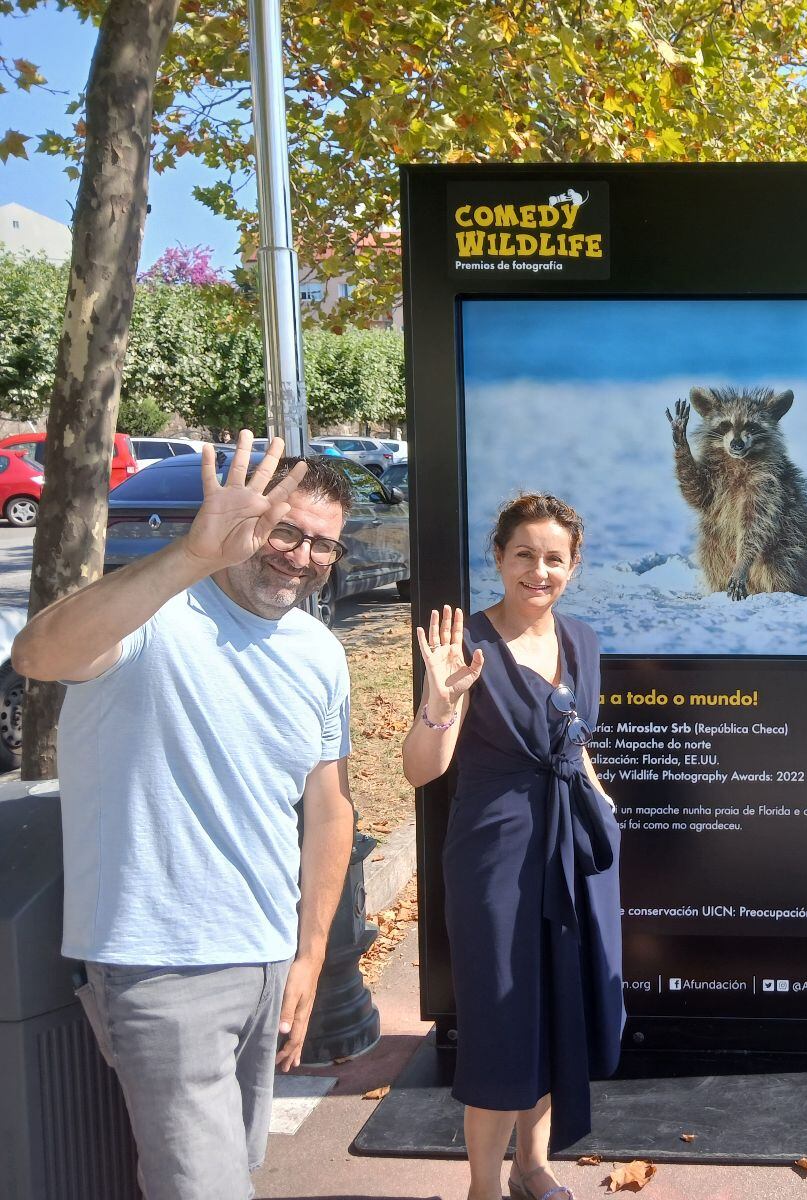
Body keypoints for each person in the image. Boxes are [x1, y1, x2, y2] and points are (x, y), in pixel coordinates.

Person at [11, 431, 356, 1200]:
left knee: (231, 1171)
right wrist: (190, 557)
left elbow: (329, 809)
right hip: (162, 961)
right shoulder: (155, 615)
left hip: (266, 956)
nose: (300, 556)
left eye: (322, 544)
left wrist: (309, 956)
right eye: (285, 529)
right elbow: (36, 654)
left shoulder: (316, 651)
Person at [402, 492, 623, 1200]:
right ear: (497, 557)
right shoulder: (467, 645)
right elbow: (420, 770)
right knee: (502, 1017)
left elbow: (573, 735)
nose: (538, 571)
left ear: (574, 565)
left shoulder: (583, 640)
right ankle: (483, 1187)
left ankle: (534, 1167)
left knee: (558, 1004)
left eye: (553, 558)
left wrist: (597, 794)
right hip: (495, 856)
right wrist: (439, 705)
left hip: (571, 849)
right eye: (523, 554)